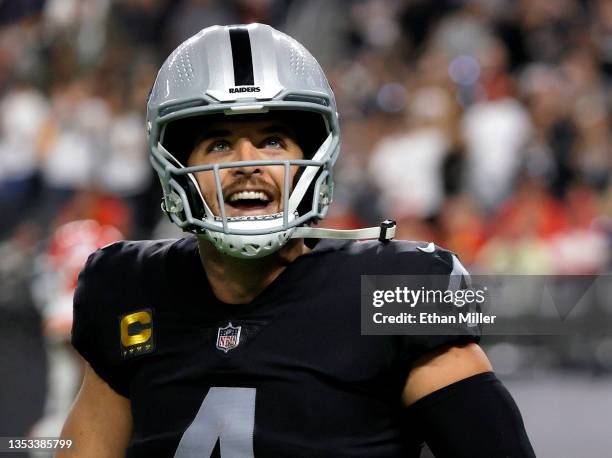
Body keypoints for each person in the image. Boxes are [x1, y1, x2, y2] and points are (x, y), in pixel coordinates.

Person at [59, 24, 535, 457]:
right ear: (176, 170)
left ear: (314, 159)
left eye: (272, 140)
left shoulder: (395, 292)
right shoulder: (128, 286)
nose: (247, 162)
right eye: (220, 144)